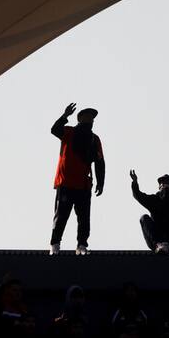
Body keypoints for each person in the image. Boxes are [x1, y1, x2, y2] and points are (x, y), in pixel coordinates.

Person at [49, 103, 105, 255]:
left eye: (92, 118)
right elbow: (54, 130)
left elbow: (100, 161)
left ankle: (81, 245)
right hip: (66, 182)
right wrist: (65, 115)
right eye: (87, 117)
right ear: (80, 119)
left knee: (84, 219)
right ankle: (55, 244)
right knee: (61, 216)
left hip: (83, 185)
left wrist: (101, 182)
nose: (90, 120)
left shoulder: (94, 139)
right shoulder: (69, 132)